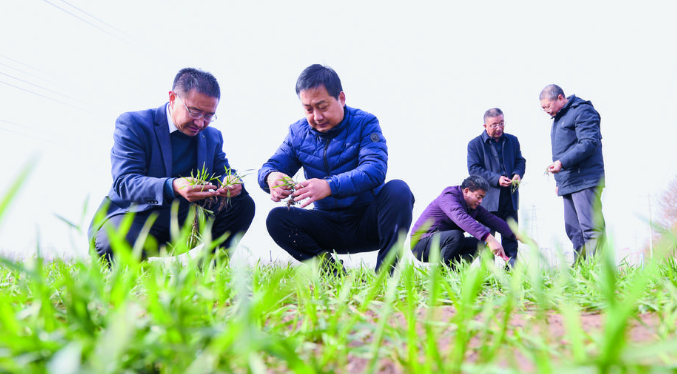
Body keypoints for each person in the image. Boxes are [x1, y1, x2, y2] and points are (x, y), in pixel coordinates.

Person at [258, 64, 414, 273]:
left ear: (341, 98)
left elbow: (375, 169)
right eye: (309, 109)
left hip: (368, 223)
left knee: (399, 190)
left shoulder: (365, 123)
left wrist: (329, 186)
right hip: (327, 225)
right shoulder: (297, 133)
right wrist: (271, 177)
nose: (317, 116)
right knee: (277, 219)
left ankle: (386, 276)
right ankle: (335, 275)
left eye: (322, 107)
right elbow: (271, 166)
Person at [88, 67, 255, 262]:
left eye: (209, 115)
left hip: (184, 219)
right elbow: (125, 182)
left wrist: (230, 181)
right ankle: (133, 265)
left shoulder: (212, 137)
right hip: (135, 215)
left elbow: (222, 171)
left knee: (242, 204)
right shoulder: (133, 124)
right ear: (173, 98)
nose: (200, 123)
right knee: (113, 244)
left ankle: (208, 272)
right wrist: (173, 186)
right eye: (194, 111)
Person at [539, 84, 606, 261]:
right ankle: (581, 269)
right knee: (574, 230)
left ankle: (599, 268)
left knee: (590, 227)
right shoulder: (559, 117)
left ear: (560, 98)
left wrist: (562, 163)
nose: (546, 111)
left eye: (547, 106)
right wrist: (559, 182)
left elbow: (589, 142)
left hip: (585, 179)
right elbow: (562, 150)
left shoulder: (582, 111)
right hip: (568, 180)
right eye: (543, 108)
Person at [410, 176, 529, 266]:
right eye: (479, 196)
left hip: (443, 244)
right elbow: (462, 218)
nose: (481, 201)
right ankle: (440, 276)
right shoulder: (449, 197)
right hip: (421, 244)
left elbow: (492, 220)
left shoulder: (472, 207)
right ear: (466, 191)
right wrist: (491, 239)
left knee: (478, 244)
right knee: (456, 235)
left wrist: (519, 236)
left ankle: (453, 274)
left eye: (482, 198)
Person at [467, 108, 526, 265]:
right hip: (487, 200)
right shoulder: (474, 144)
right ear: (485, 126)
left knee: (511, 237)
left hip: (510, 197)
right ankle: (489, 273)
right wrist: (496, 179)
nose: (499, 128)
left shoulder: (512, 140)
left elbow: (520, 160)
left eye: (501, 123)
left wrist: (518, 173)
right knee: (487, 239)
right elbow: (474, 170)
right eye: (494, 125)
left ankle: (512, 272)